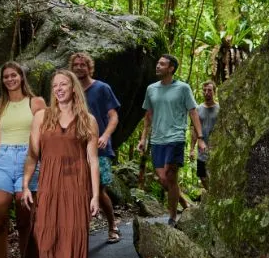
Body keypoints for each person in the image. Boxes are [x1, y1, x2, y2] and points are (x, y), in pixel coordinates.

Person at [21, 69, 100, 258]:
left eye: (63, 84)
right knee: (49, 238)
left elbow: (93, 160)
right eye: (55, 85)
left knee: (74, 238)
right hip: (50, 185)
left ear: (73, 87)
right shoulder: (42, 117)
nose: (58, 89)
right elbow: (33, 154)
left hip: (77, 185)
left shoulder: (88, 120)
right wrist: (25, 184)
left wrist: (95, 196)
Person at [0, 62, 47, 258]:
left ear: (21, 77)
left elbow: (45, 136)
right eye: (6, 76)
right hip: (2, 160)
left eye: (14, 75)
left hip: (28, 160)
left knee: (24, 218)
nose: (10, 79)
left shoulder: (36, 103)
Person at [137, 54, 205, 227]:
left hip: (176, 137)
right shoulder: (151, 89)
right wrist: (143, 138)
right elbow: (148, 115)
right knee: (162, 179)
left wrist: (200, 138)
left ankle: (172, 216)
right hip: (157, 139)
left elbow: (193, 112)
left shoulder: (183, 88)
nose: (157, 66)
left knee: (170, 174)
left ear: (171, 68)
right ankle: (183, 202)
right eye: (158, 63)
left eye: (162, 64)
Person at [69, 52, 121, 243]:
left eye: (83, 64)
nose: (79, 67)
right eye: (76, 65)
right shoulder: (70, 91)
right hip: (76, 148)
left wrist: (105, 135)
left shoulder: (102, 88)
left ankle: (112, 224)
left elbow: (113, 116)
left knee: (98, 189)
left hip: (99, 148)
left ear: (89, 67)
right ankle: (80, 231)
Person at [190, 80, 219, 191]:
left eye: (209, 90)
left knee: (215, 173)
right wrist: (191, 149)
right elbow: (194, 130)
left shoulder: (220, 108)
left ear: (214, 92)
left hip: (216, 148)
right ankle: (210, 193)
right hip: (202, 148)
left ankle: (215, 194)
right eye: (205, 90)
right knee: (202, 175)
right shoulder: (198, 109)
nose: (207, 92)